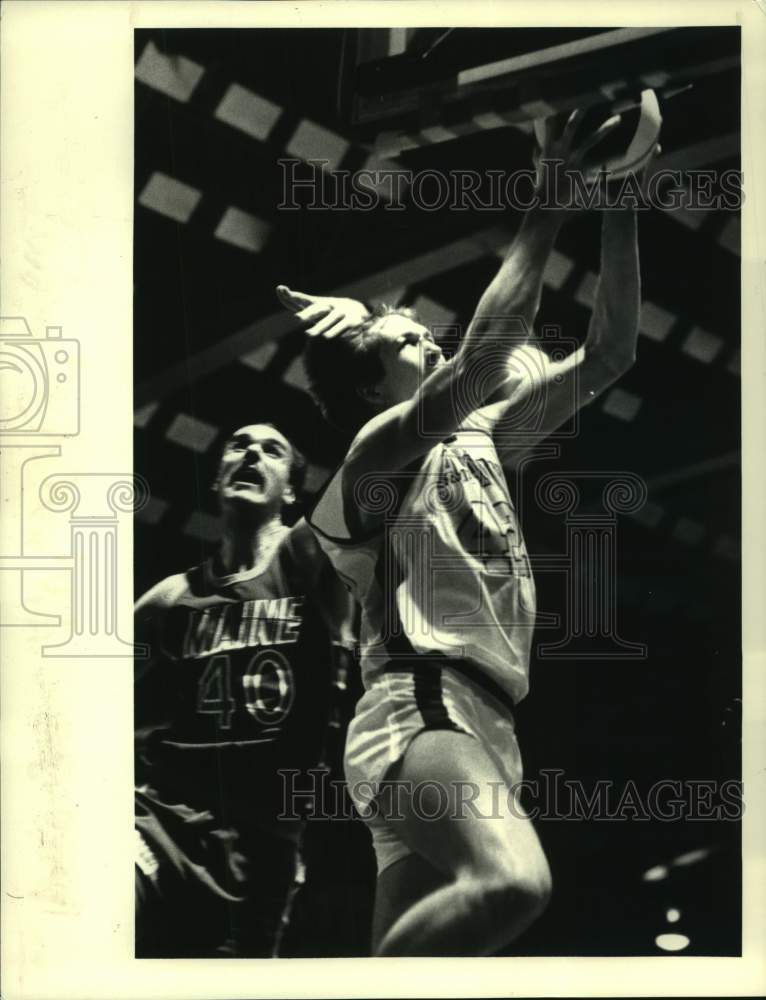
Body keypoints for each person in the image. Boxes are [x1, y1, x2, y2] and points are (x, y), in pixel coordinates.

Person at [277, 109, 649, 955]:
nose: (428, 336)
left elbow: (612, 352)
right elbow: (483, 361)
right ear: (370, 388)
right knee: (513, 883)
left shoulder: (484, 438)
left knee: (422, 967)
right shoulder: (377, 454)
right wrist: (549, 200)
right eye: (408, 338)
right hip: (424, 700)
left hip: (488, 719)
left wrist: (621, 198)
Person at [134, 422, 354, 957]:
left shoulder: (311, 558)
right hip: (161, 816)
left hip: (261, 846)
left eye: (272, 450)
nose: (252, 452)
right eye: (239, 445)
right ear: (217, 479)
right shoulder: (173, 596)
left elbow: (373, 470)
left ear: (292, 490)